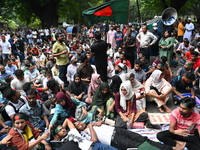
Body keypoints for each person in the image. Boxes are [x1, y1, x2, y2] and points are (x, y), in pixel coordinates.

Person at [74, 120, 185, 150]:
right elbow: (94, 140)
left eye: (79, 122)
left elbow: (105, 123)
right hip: (114, 140)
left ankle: (170, 148)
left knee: (142, 138)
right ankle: (169, 148)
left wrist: (100, 122)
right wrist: (90, 127)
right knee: (140, 145)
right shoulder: (84, 135)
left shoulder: (92, 122)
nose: (80, 124)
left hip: (117, 131)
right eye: (78, 125)